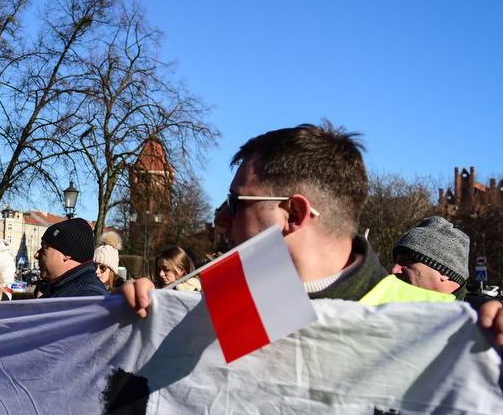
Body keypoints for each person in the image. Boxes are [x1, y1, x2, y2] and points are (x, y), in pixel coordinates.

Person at [122, 123, 453, 317]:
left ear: (294, 214)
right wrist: (141, 313)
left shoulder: (440, 327)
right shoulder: (226, 302)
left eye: (235, 203)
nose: (220, 218)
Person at [389, 216, 469, 299]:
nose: (394, 270)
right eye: (396, 260)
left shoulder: (475, 308)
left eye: (407, 260)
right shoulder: (392, 305)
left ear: (445, 273)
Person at [35, 218, 109, 298]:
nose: (36, 255)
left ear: (67, 254)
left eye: (45, 248)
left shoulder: (87, 296)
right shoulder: (72, 291)